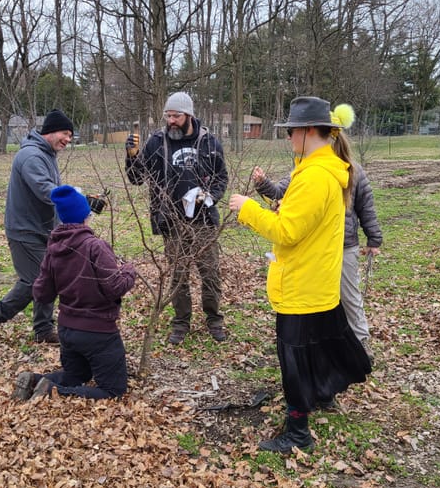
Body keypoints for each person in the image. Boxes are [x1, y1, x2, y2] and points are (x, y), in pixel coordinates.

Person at [229, 96, 372, 454]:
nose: (289, 138)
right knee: (320, 346)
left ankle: (297, 431)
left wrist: (247, 210)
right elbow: (305, 222)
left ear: (309, 131)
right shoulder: (324, 171)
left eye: (291, 131)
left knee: (293, 357)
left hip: (302, 284)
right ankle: (323, 394)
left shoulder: (315, 176)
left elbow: (287, 232)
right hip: (318, 280)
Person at [250, 104, 382, 364]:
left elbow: (366, 207)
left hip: (345, 247)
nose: (289, 138)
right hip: (316, 250)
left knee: (348, 297)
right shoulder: (305, 169)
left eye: (292, 132)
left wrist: (374, 239)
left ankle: (360, 344)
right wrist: (263, 185)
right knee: (322, 305)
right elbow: (281, 194)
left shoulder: (348, 171)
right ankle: (322, 353)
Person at [12, 185, 137, 400]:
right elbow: (115, 287)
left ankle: (35, 380)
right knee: (114, 390)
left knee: (77, 374)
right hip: (98, 333)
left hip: (67, 331)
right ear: (85, 215)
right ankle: (54, 391)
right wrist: (129, 270)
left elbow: (41, 294)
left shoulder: (53, 249)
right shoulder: (95, 246)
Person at [125, 91, 229, 345]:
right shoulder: (157, 142)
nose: (171, 120)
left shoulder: (209, 142)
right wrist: (132, 156)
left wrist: (210, 196)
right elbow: (138, 178)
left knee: (210, 274)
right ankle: (181, 322)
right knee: (178, 276)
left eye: (176, 115)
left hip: (203, 221)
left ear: (189, 115)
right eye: (168, 115)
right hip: (171, 221)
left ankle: (214, 320)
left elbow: (222, 178)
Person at [0, 108, 73, 346]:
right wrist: (77, 199)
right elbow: (45, 190)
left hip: (42, 229)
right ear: (50, 131)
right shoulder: (32, 156)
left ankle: (43, 329)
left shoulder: (46, 154)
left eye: (71, 135)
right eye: (65, 133)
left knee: (49, 277)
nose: (68, 139)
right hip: (25, 230)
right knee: (35, 281)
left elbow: (50, 191)